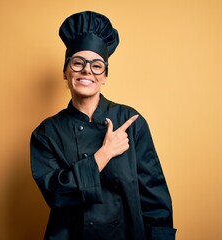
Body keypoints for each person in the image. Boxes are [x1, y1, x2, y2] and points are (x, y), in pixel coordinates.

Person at [30, 11, 176, 240]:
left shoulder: (131, 122)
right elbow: (56, 194)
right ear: (65, 72)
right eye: (77, 63)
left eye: (97, 65)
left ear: (105, 76)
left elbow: (154, 195)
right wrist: (103, 155)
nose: (87, 70)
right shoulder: (46, 132)